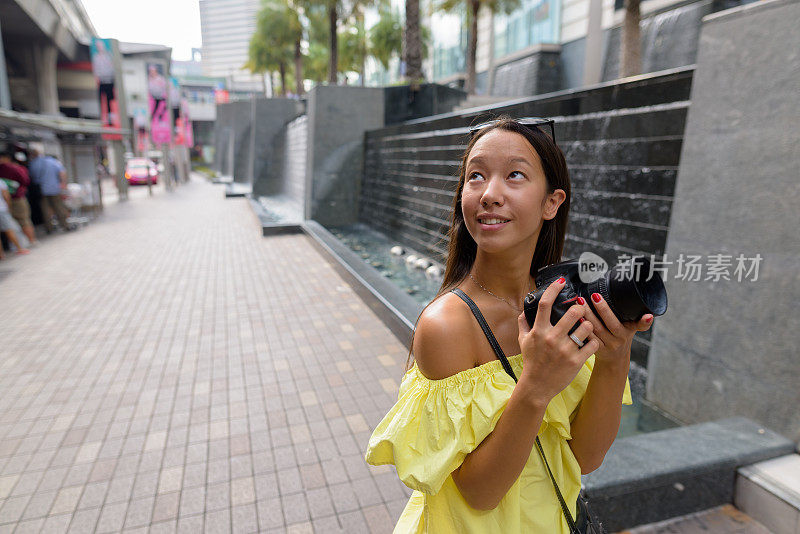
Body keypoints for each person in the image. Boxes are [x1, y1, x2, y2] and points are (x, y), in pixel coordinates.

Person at [365, 117, 654, 533]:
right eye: (476, 176)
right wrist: (536, 385)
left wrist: (615, 355)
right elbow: (479, 494)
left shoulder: (562, 304)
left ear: (552, 202)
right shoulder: (447, 325)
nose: (490, 194)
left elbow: (585, 458)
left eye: (515, 175)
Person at [28, 149, 73, 233]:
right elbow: (62, 172)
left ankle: (49, 228)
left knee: (45, 209)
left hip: (41, 190)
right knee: (59, 207)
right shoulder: (52, 161)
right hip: (54, 188)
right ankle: (65, 225)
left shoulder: (33, 164)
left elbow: (32, 177)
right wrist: (63, 183)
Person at [0, 151, 37, 245]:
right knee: (24, 219)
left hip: (5, 201)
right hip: (17, 197)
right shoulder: (14, 168)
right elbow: (25, 181)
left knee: (11, 223)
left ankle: (20, 244)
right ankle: (31, 241)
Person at [0, 180, 31, 259]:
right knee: (9, 229)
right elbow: (6, 196)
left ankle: (1, 254)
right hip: (2, 209)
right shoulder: (1, 182)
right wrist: (9, 207)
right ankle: (20, 249)